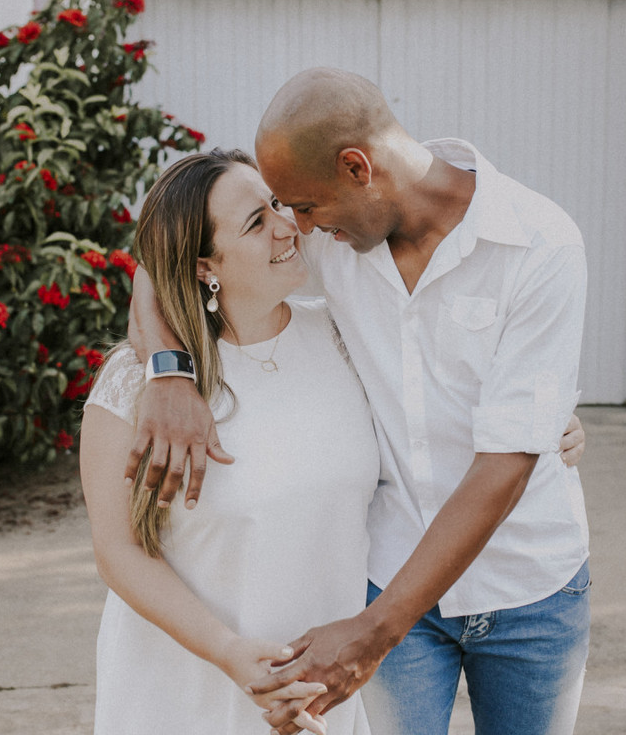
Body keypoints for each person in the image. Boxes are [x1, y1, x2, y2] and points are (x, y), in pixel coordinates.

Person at [126, 67, 591, 735]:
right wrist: (169, 371)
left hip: (531, 586)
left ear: (357, 168)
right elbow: (165, 251)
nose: (297, 228)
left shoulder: (540, 243)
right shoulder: (336, 233)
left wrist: (374, 633)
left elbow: (505, 461)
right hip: (390, 578)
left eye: (304, 207)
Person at [79, 148, 378, 735]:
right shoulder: (133, 385)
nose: (286, 225)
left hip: (324, 685)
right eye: (256, 223)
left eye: (276, 204)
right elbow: (118, 552)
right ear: (204, 267)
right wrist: (228, 651)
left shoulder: (344, 335)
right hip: (186, 688)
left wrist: (551, 418)